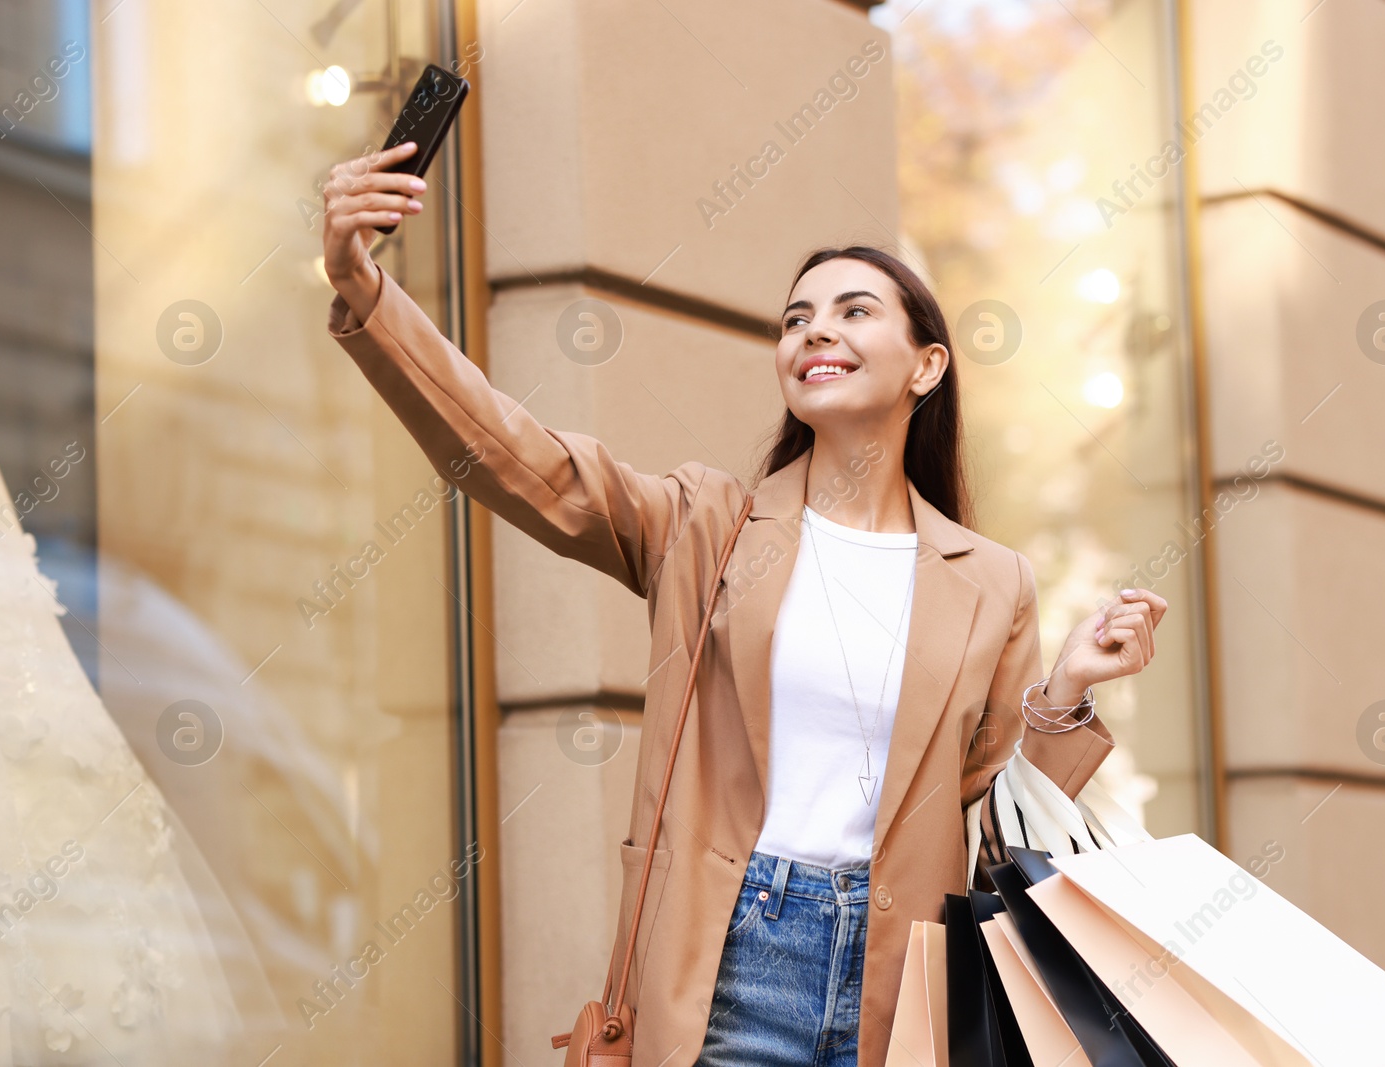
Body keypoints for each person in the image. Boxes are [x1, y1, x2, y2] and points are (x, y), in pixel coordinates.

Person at [320, 141, 1167, 1067]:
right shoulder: (706, 524)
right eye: (796, 319)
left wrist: (1071, 687)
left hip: (904, 985)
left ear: (926, 368)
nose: (815, 332)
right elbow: (517, 457)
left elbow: (999, 811)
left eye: (853, 311)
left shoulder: (991, 577)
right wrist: (367, 291)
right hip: (732, 963)